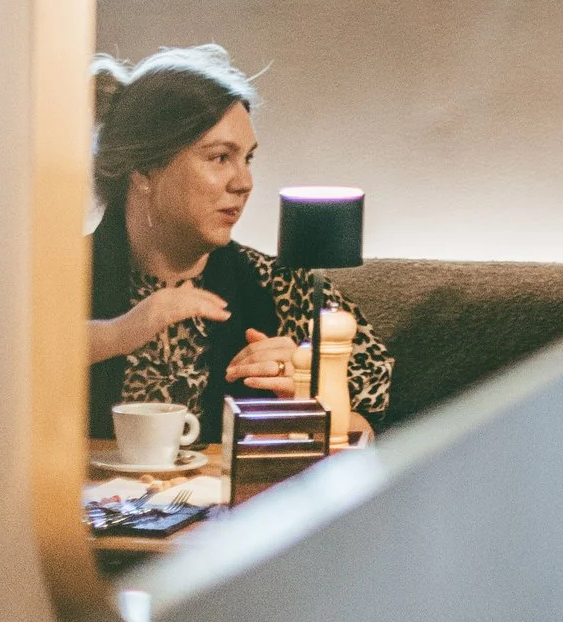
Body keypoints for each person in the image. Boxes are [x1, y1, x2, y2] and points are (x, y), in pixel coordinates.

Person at [87, 49, 393, 445]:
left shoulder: (285, 289)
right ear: (144, 170)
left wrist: (306, 398)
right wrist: (118, 334)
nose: (244, 183)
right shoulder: (54, 278)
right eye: (219, 158)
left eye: (247, 159)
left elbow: (369, 433)